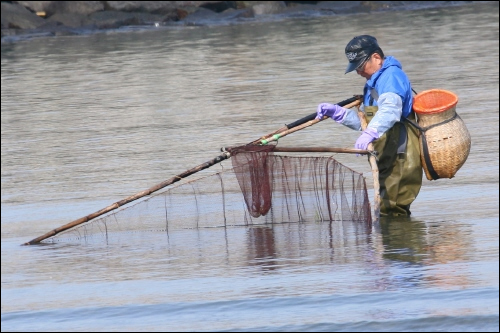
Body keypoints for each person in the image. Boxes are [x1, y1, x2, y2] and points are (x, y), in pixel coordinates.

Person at [315, 35, 422, 216]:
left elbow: (390, 111)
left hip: (401, 155)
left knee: (394, 211)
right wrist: (339, 114)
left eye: (360, 65)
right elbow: (367, 123)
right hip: (386, 158)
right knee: (385, 210)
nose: (358, 71)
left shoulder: (391, 76)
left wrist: (370, 133)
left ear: (376, 58)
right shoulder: (373, 82)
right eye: (355, 67)